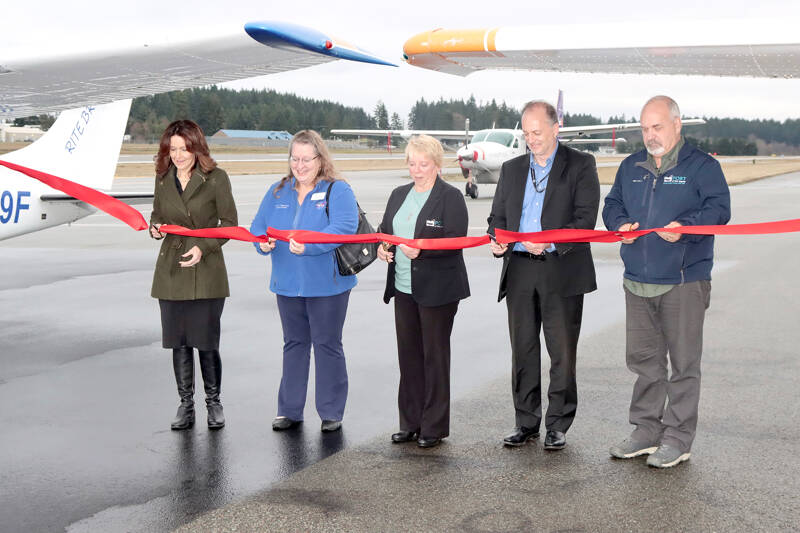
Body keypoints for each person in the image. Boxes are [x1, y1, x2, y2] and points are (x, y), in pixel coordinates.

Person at [603, 95, 730, 468]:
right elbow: (612, 205)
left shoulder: (702, 167)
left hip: (683, 281)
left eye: (657, 127)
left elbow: (719, 209)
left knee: (684, 364)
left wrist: (686, 229)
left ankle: (677, 437)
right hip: (637, 281)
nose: (650, 135)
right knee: (645, 362)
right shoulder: (630, 167)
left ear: (677, 125)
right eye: (644, 128)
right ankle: (646, 430)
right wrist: (619, 226)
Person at [487, 101, 600, 451]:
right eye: (526, 133)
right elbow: (497, 218)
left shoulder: (580, 165)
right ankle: (526, 421)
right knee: (523, 349)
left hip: (560, 269)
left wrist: (549, 241)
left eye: (537, 132)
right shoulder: (512, 168)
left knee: (561, 351)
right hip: (520, 267)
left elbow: (585, 220)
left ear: (556, 127)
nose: (530, 139)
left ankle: (558, 424)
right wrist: (497, 240)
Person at [250, 130, 358, 433]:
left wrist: (311, 246)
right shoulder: (278, 191)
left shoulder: (338, 190)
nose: (300, 165)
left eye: (306, 159)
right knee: (294, 344)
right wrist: (263, 244)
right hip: (287, 284)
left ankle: (331, 411)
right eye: (294, 158)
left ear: (320, 159)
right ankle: (289, 410)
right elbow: (258, 228)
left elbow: (344, 228)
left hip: (327, 285)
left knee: (327, 344)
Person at [376, 134, 470, 449]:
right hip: (403, 288)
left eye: (424, 164)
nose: (417, 170)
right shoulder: (398, 194)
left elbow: (456, 242)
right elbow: (384, 230)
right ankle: (410, 422)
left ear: (437, 164)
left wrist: (424, 252)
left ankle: (433, 426)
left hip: (438, 290)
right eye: (412, 164)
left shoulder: (450, 197)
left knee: (434, 358)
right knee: (409, 358)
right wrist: (384, 247)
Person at [149, 119, 238, 431]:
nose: (178, 155)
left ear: (196, 147)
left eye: (184, 149)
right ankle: (185, 405)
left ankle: (213, 402)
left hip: (207, 269)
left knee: (206, 341)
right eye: (172, 149)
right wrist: (154, 228)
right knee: (179, 342)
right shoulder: (163, 179)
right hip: (171, 271)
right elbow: (158, 215)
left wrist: (202, 246)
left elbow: (229, 224)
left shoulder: (216, 178)